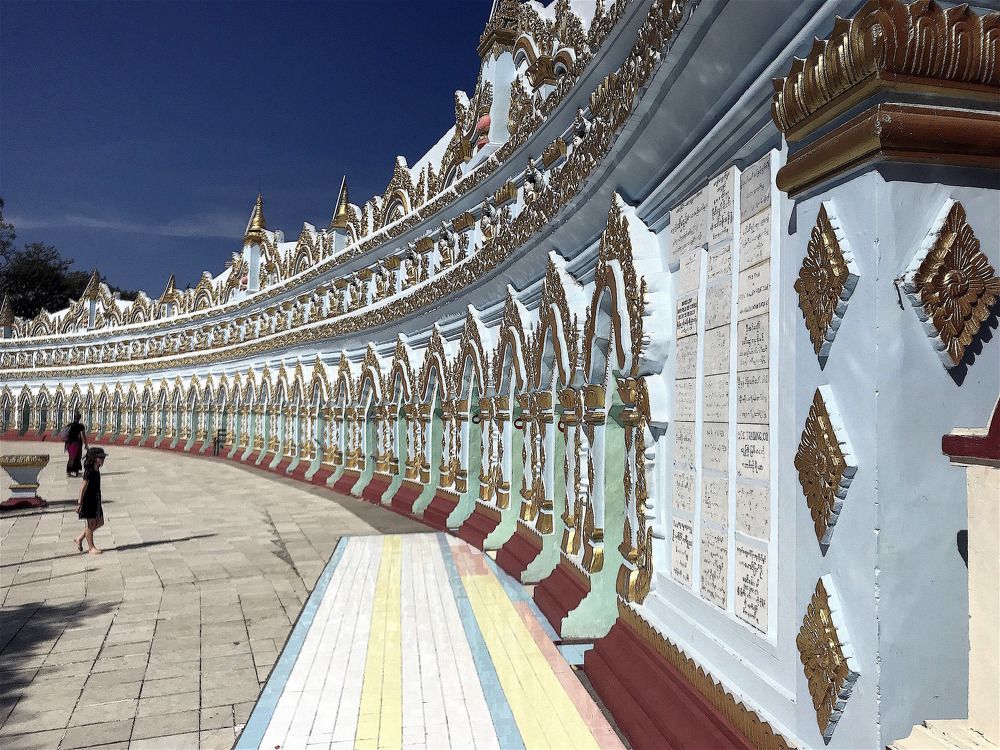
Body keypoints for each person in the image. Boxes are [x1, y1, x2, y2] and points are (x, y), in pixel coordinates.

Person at [74, 447, 107, 555]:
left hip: (96, 499)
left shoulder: (97, 469)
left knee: (100, 522)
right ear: (94, 458)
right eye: (100, 457)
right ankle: (91, 547)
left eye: (103, 457)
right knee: (90, 524)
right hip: (88, 500)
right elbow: (83, 487)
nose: (102, 459)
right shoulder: (89, 472)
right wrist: (79, 503)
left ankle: (80, 537)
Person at [64, 413, 88, 477]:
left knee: (71, 457)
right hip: (76, 444)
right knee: (76, 457)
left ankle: (71, 472)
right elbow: (83, 436)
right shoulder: (80, 426)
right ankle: (72, 472)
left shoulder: (70, 425)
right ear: (80, 418)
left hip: (69, 444)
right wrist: (86, 445)